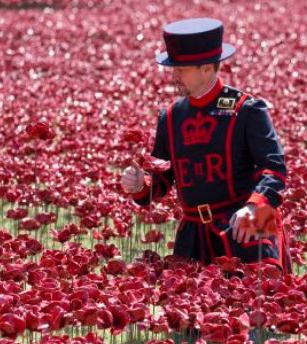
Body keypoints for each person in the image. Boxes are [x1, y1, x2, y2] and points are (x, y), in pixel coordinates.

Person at [121, 18, 291, 274]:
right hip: (193, 232)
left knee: (263, 303)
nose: (174, 75)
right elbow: (163, 177)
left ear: (208, 68)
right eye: (173, 68)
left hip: (249, 220)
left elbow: (274, 169)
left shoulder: (248, 109)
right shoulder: (169, 116)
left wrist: (254, 205)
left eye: (182, 68)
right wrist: (139, 185)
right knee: (191, 309)